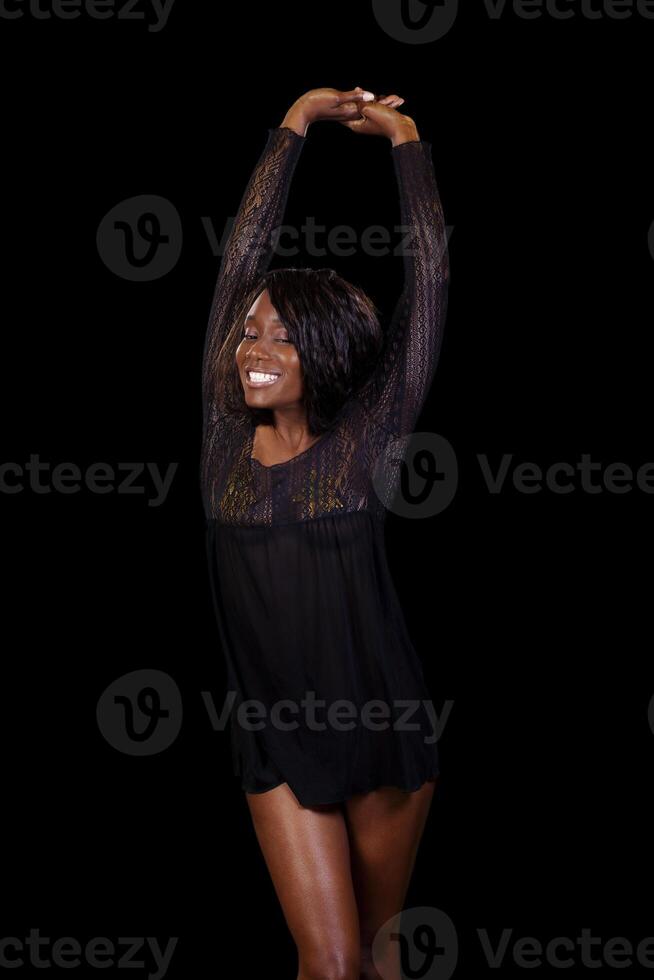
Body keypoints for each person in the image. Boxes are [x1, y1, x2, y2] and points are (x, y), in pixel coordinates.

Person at [200, 86, 449, 980]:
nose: (254, 346)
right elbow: (242, 263)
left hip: (379, 720)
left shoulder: (363, 444)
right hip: (273, 732)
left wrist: (406, 144)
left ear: (330, 353)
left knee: (377, 959)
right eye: (250, 332)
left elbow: (429, 293)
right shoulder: (223, 440)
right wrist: (294, 125)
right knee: (328, 959)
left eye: (283, 335)